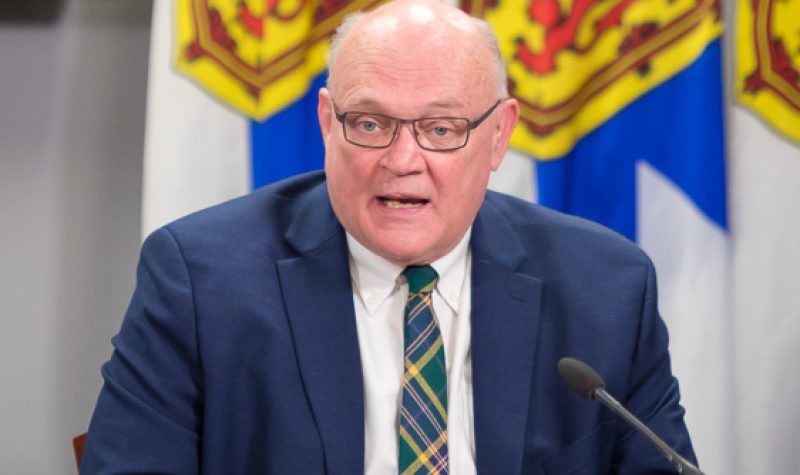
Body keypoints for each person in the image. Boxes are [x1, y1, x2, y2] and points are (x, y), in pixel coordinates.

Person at [81, 0, 697, 473]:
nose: (403, 160)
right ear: (328, 123)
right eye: (370, 123)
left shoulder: (606, 288)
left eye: (441, 128)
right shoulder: (200, 280)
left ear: (500, 135)